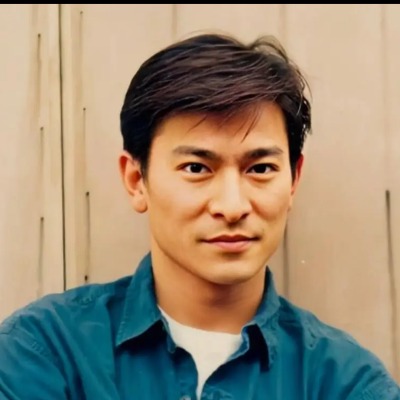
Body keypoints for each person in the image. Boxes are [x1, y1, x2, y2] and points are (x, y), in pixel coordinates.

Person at [0, 32, 399, 400]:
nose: (232, 206)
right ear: (137, 180)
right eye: (196, 168)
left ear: (293, 180)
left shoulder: (345, 382)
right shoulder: (46, 351)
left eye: (260, 168)